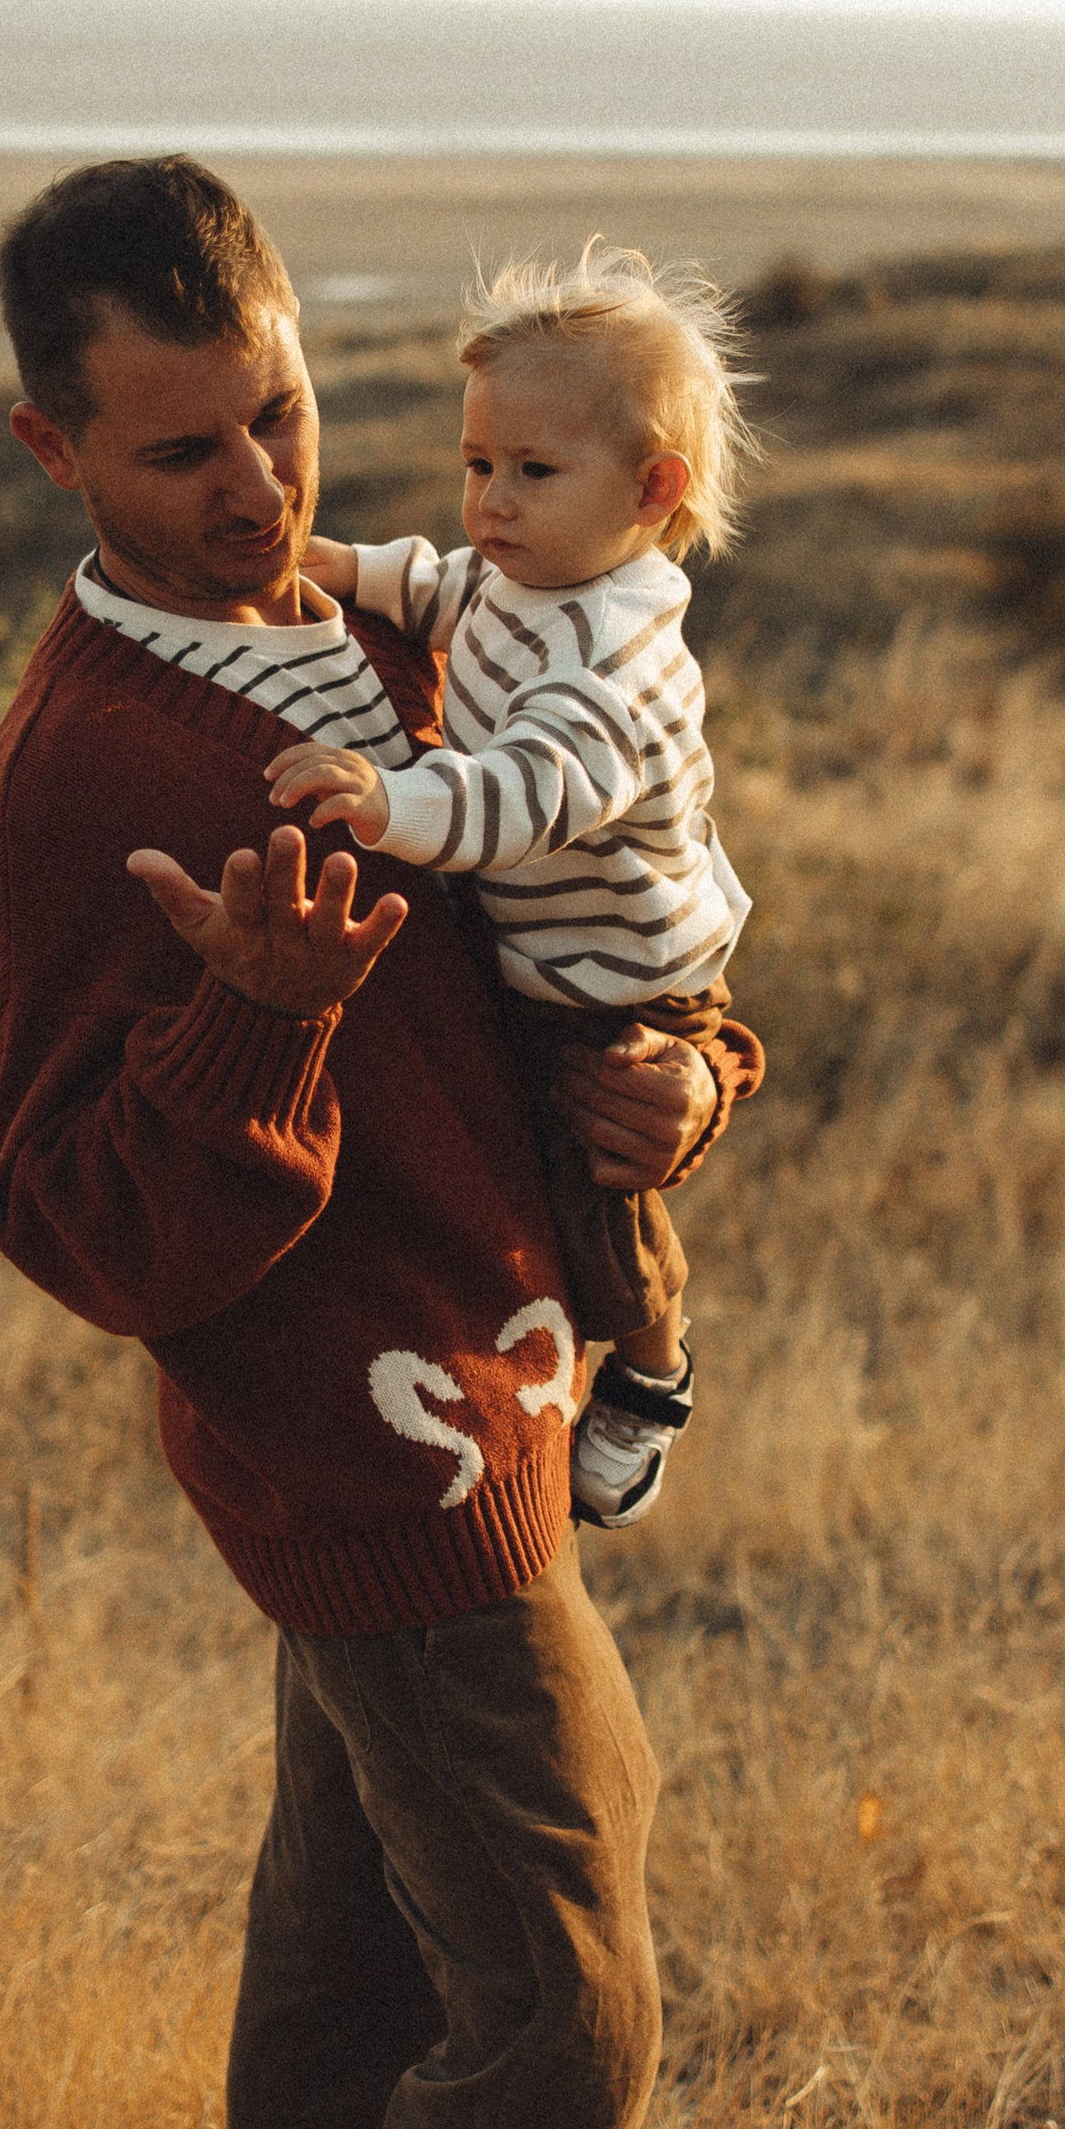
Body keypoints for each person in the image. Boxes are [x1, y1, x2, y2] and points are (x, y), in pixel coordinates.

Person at [0, 158, 762, 2129]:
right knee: (567, 2011)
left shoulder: (403, 613)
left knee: (357, 1978)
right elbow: (91, 1229)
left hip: (507, 1360)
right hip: (373, 1444)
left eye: (281, 411)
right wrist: (267, 1020)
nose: (255, 486)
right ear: (55, 445)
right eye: (182, 451)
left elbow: (602, 907)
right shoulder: (86, 782)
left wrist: (692, 1078)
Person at [273, 241, 756, 1533]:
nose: (490, 501)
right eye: (478, 465)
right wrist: (331, 569)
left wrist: (390, 802)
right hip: (550, 958)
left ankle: (654, 1372)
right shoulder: (526, 570)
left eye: (532, 474)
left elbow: (523, 798)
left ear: (654, 489)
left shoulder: (622, 668)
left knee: (598, 1195)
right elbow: (437, 590)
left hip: (625, 990)